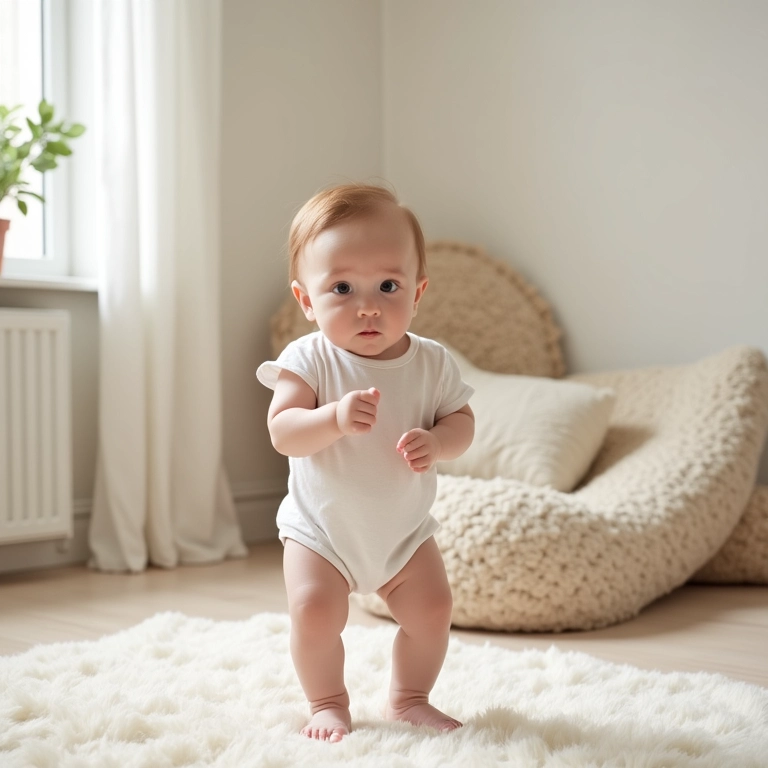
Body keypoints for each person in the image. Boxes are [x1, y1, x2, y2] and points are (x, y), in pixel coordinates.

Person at [257, 183, 475, 743]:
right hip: (322, 534)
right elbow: (283, 432)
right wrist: (330, 419)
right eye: (342, 288)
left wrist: (440, 441)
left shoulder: (433, 362)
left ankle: (409, 698)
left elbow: (462, 421)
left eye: (388, 285)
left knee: (432, 610)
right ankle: (327, 701)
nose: (368, 305)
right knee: (313, 613)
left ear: (418, 290)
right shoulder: (308, 359)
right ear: (306, 300)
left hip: (402, 536)